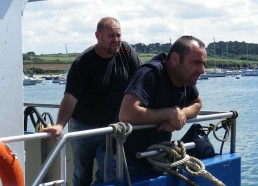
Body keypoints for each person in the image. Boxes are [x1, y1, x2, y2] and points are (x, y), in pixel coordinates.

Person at [41, 17, 142, 186]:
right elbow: (70, 97)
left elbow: (142, 79)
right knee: (82, 175)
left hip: (111, 129)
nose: (116, 40)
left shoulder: (126, 52)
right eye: (111, 36)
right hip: (83, 128)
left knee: (108, 174)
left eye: (118, 35)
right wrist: (59, 125)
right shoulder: (83, 63)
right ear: (98, 36)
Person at [118, 35, 206, 178]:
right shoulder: (151, 73)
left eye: (203, 64)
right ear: (175, 58)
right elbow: (127, 114)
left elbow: (197, 103)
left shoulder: (185, 78)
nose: (202, 70)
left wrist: (179, 115)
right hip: (126, 160)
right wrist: (169, 114)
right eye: (196, 63)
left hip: (157, 157)